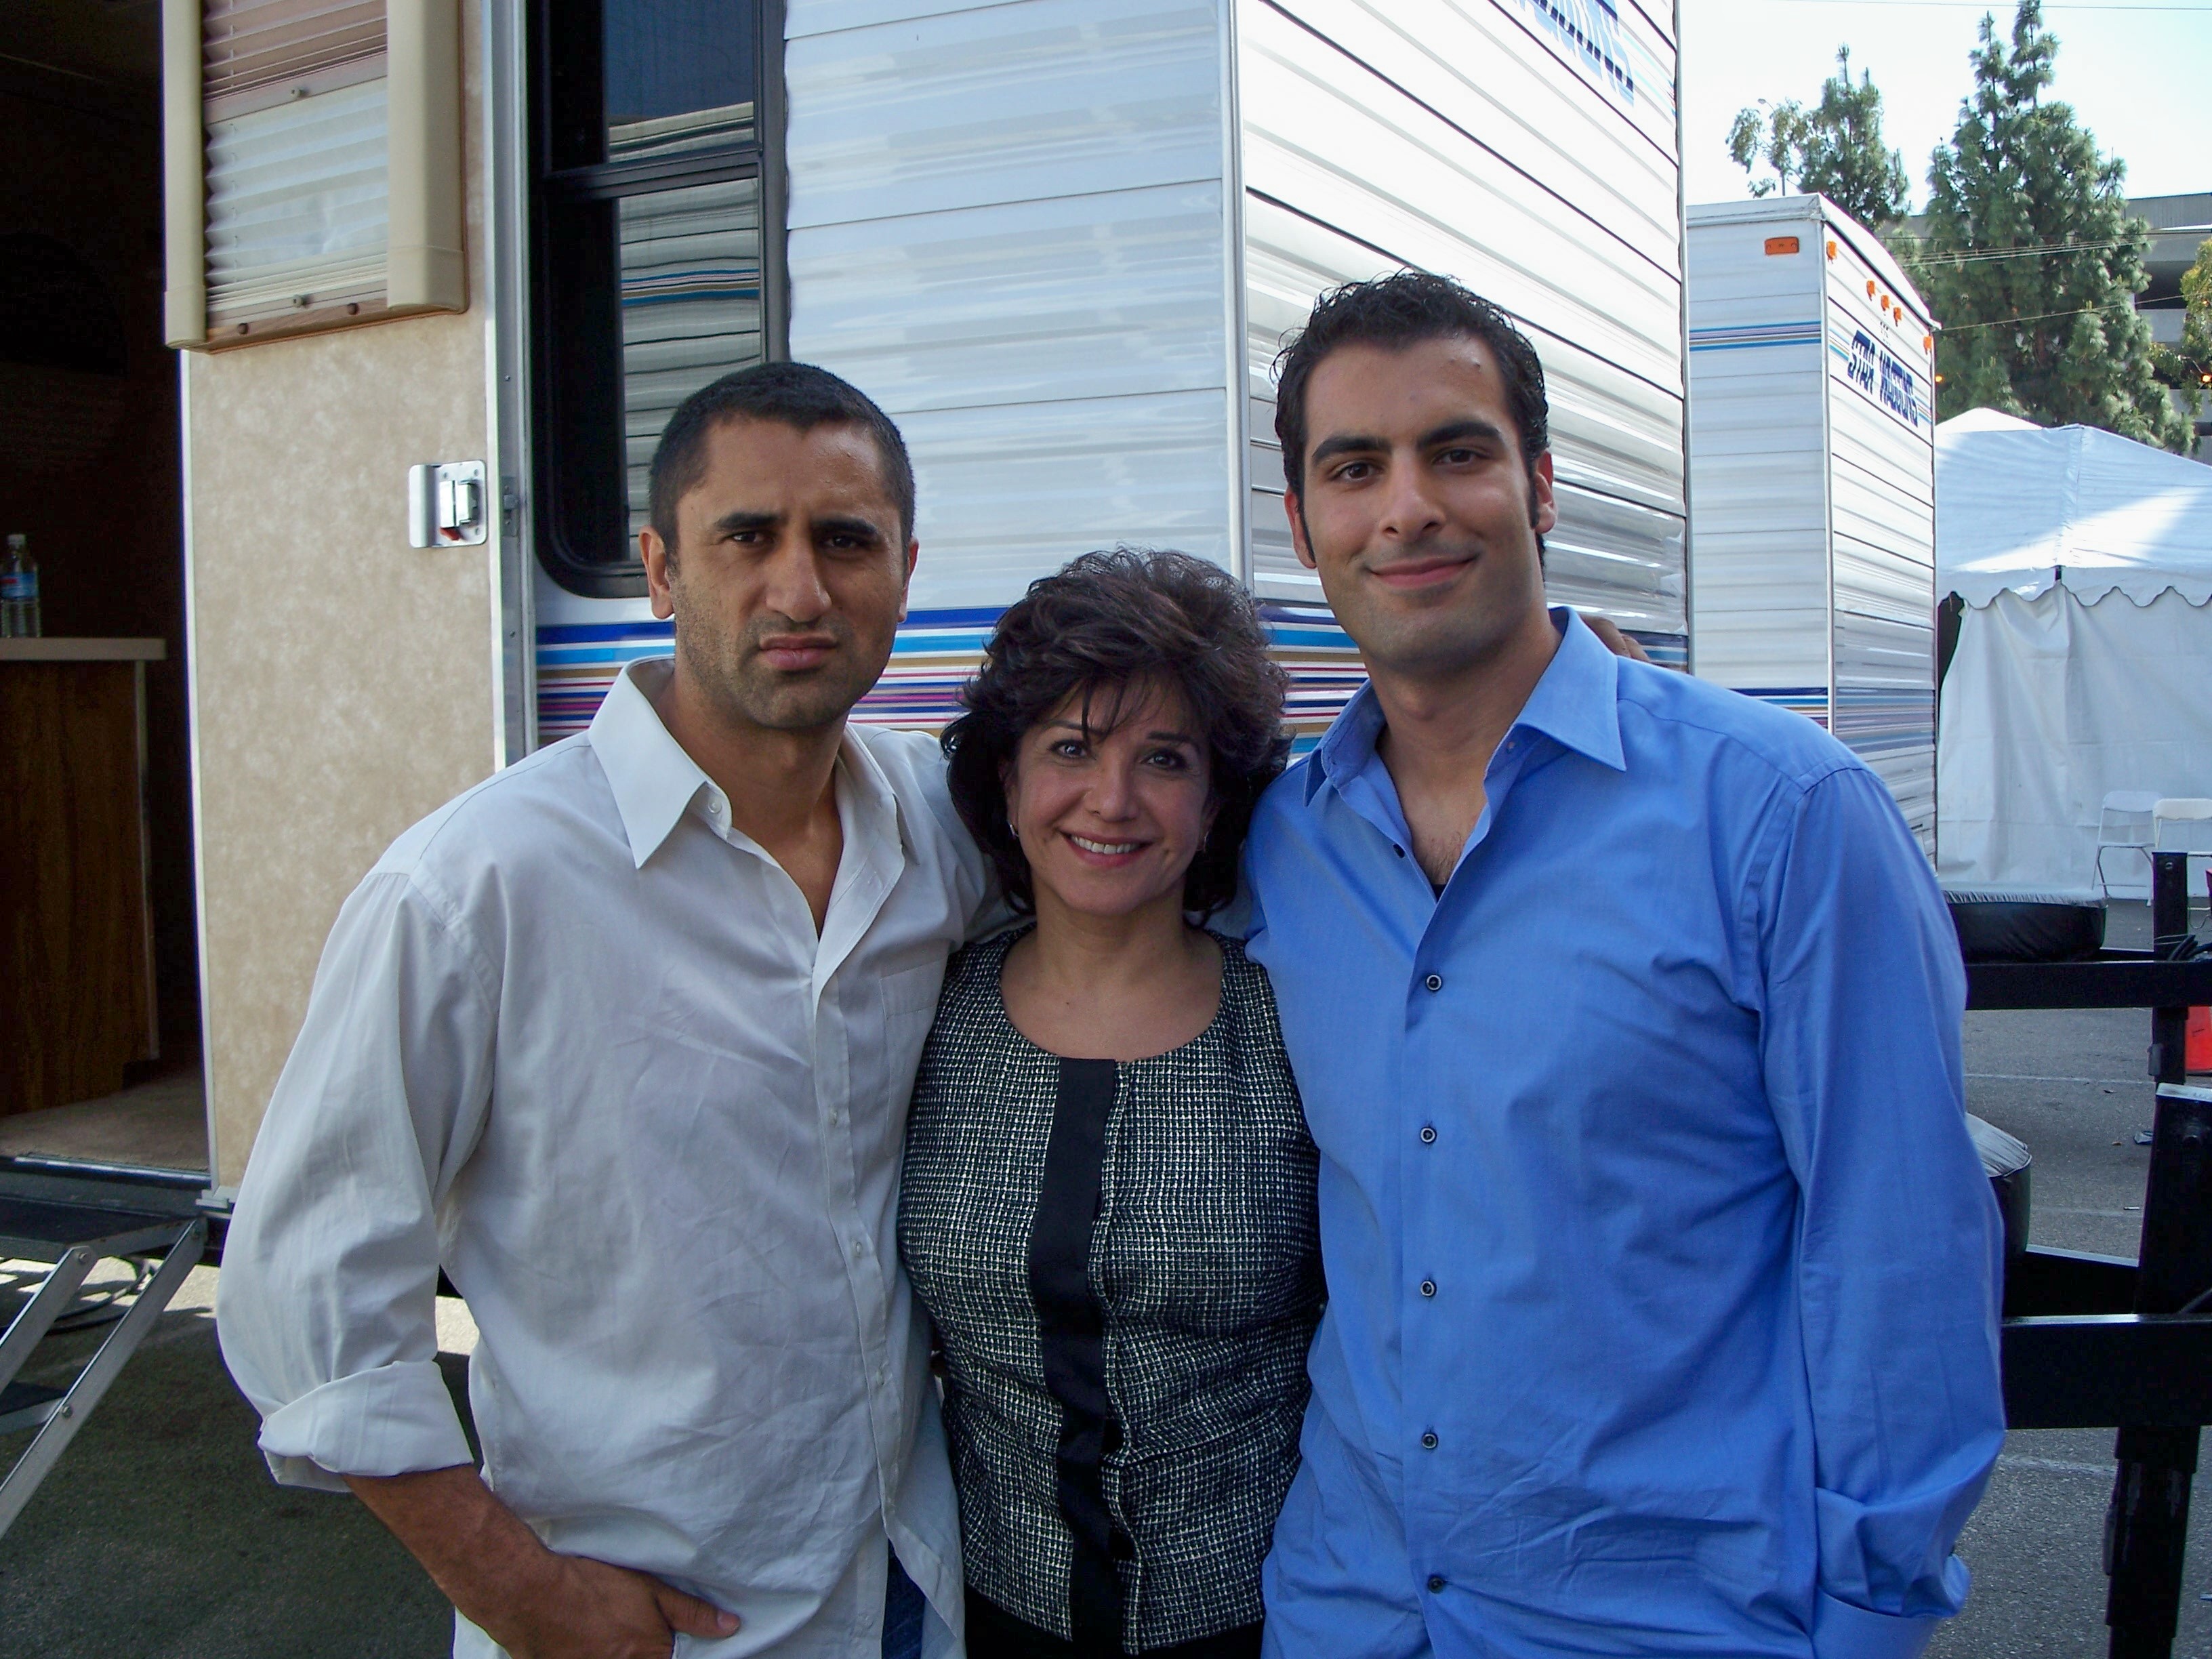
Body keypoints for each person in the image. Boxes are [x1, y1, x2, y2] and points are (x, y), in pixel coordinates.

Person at [1241, 271, 2006, 1658]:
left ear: (1539, 486)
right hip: (1347, 1609)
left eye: (1455, 452)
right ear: (1303, 524)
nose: (1406, 506)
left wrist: (1870, 1613)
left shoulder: (1781, 816)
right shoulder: (1285, 849)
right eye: (1354, 468)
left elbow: (1898, 1255)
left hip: (1675, 1623)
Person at [216, 362, 992, 1659]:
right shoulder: (474, 890)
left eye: (845, 541)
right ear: (661, 570)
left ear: (907, 567)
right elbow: (311, 1298)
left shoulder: (939, 828)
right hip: (641, 1624)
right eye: (746, 537)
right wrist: (526, 1599)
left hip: (909, 1587)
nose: (799, 590)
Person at [898, 550, 1323, 1658]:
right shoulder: (927, 1018)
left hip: (1263, 1616)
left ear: (1219, 795)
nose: (1112, 800)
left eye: (1165, 759)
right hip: (993, 1615)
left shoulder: (1293, 1029)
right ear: (1005, 779)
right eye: (1071, 749)